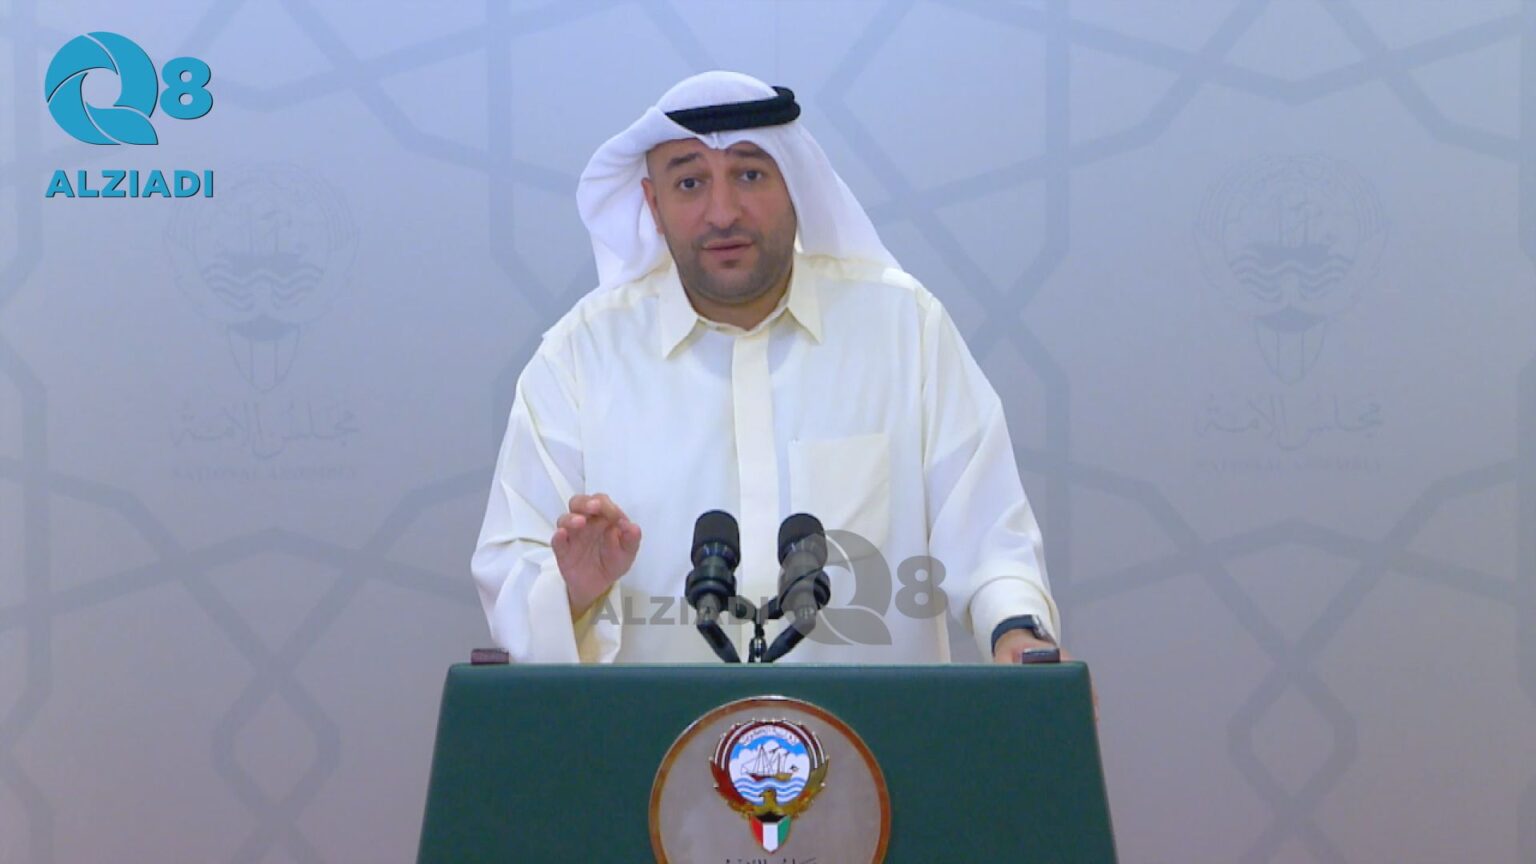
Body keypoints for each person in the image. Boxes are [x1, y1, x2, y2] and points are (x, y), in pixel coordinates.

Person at [472, 71, 1061, 664]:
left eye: (749, 175)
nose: (722, 213)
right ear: (654, 204)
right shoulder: (580, 358)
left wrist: (1016, 632)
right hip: (650, 728)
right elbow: (513, 565)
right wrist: (572, 591)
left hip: (870, 725)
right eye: (690, 183)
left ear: (795, 184)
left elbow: (991, 534)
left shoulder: (904, 328)